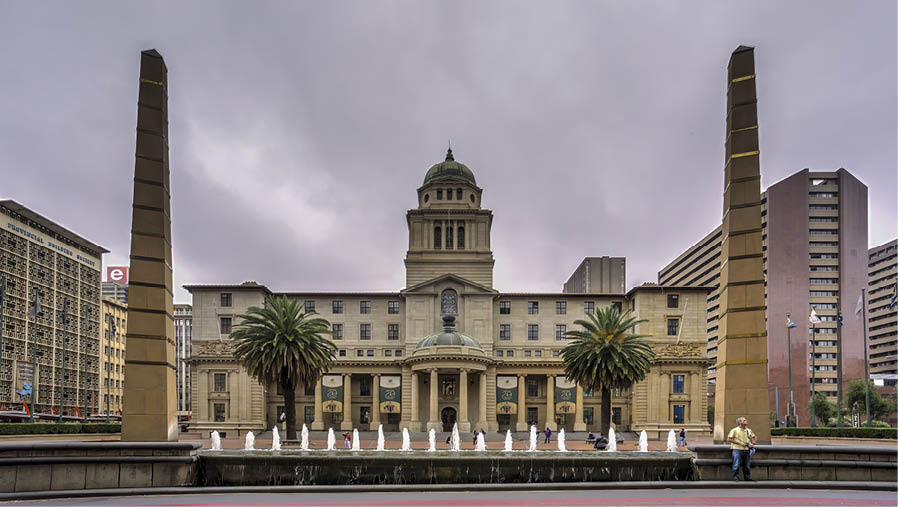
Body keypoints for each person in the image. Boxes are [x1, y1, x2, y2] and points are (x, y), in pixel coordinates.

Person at [727, 417, 757, 481]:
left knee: (747, 465)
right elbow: (729, 439)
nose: (746, 421)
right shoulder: (734, 430)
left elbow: (754, 437)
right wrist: (740, 443)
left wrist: (753, 443)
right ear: (740, 422)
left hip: (746, 449)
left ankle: (747, 477)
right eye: (744, 420)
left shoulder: (749, 430)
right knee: (736, 464)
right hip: (737, 449)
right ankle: (735, 477)